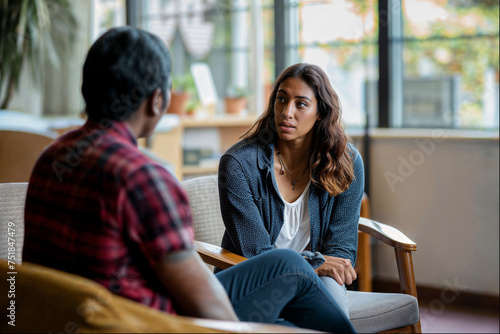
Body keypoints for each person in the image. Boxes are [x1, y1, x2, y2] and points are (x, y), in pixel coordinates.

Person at [22, 27, 356, 333]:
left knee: (288, 265)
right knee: (287, 264)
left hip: (80, 318)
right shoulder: (144, 178)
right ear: (157, 100)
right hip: (151, 322)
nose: (287, 112)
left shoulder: (50, 159)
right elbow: (202, 303)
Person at [218, 63, 365, 318]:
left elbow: (342, 250)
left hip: (319, 278)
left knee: (331, 311)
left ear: (320, 111)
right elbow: (256, 253)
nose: (287, 112)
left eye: (301, 104)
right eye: (281, 100)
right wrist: (315, 263)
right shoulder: (238, 165)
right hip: (256, 279)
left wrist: (322, 268)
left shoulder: (347, 163)